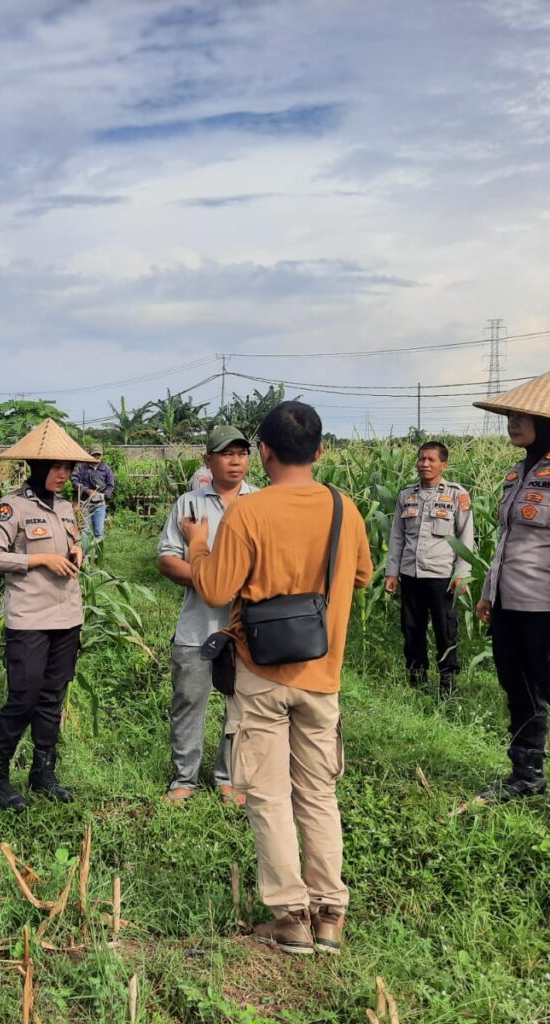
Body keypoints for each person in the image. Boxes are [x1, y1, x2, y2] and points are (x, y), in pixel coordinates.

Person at [182, 401, 372, 956]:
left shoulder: (249, 512)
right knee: (318, 792)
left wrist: (198, 545)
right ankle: (330, 914)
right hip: (321, 674)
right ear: (320, 450)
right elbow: (361, 575)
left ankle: (290, 917)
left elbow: (215, 589)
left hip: (261, 673)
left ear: (263, 452)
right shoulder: (344, 508)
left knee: (267, 794)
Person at [0, 419, 96, 811]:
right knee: (24, 698)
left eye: (68, 468)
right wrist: (40, 559)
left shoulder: (65, 507)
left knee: (52, 698)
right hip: (30, 619)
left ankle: (43, 774)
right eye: (56, 467)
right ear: (36, 466)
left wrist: (77, 552)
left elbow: (74, 544)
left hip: (67, 617)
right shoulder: (12, 506)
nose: (63, 474)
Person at [157, 425, 256, 805]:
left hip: (246, 628)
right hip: (197, 626)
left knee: (241, 706)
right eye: (227, 454)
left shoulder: (260, 502)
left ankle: (228, 777)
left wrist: (232, 586)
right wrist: (215, 583)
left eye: (242, 453)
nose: (236, 461)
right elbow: (168, 560)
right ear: (208, 460)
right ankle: (184, 779)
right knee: (188, 701)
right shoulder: (189, 504)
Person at [473, 372, 550, 802]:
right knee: (518, 688)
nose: (512, 423)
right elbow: (507, 541)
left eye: (522, 416)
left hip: (543, 604)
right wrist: (490, 592)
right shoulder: (516, 474)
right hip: (509, 603)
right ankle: (526, 773)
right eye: (508, 415)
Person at [384, 442, 474, 696]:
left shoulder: (457, 495)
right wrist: (392, 572)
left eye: (431, 460)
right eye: (421, 459)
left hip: (442, 576)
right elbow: (397, 537)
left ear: (443, 465)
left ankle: (448, 686)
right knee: (412, 629)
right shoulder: (407, 495)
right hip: (411, 574)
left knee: (446, 631)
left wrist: (462, 574)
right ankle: (417, 682)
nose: (424, 464)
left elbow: (466, 537)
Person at [71, 445, 115, 541]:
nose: (96, 457)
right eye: (94, 455)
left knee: (98, 533)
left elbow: (110, 486)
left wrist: (103, 495)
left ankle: (98, 551)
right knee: (84, 532)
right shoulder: (81, 467)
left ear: (102, 455)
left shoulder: (106, 469)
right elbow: (74, 481)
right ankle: (85, 550)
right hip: (84, 504)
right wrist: (87, 490)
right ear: (89, 455)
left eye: (99, 455)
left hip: (99, 505)